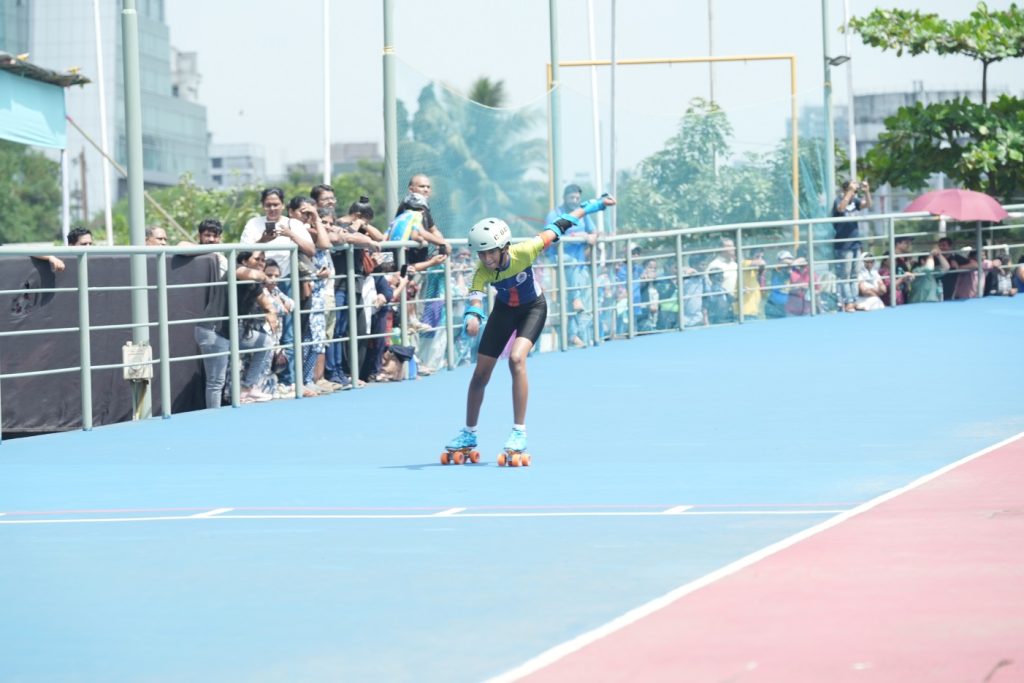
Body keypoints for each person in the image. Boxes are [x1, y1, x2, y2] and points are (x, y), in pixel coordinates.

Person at [444, 193, 616, 463]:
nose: (486, 258)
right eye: (481, 253)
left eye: (491, 252)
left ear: (504, 247)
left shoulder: (526, 250)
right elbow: (475, 296)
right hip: (503, 312)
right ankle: (468, 433)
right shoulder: (482, 270)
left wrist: (593, 206)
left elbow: (560, 224)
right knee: (480, 374)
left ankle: (518, 432)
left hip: (532, 309)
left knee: (516, 359)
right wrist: (472, 316)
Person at [545, 184, 597, 347]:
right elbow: (549, 238)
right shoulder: (554, 214)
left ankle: (580, 336)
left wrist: (589, 236)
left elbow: (594, 232)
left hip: (580, 262)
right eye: (571, 198)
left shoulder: (582, 213)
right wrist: (571, 237)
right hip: (561, 259)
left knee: (585, 301)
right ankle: (573, 331)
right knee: (572, 297)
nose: (574, 201)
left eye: (577, 198)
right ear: (564, 198)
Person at [832, 179, 872, 312]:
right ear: (846, 189)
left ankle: (855, 301)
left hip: (855, 243)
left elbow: (868, 204)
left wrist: (867, 192)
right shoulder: (839, 200)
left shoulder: (855, 201)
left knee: (855, 274)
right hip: (843, 244)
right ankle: (848, 302)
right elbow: (841, 208)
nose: (855, 192)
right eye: (852, 189)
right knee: (845, 275)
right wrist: (849, 192)